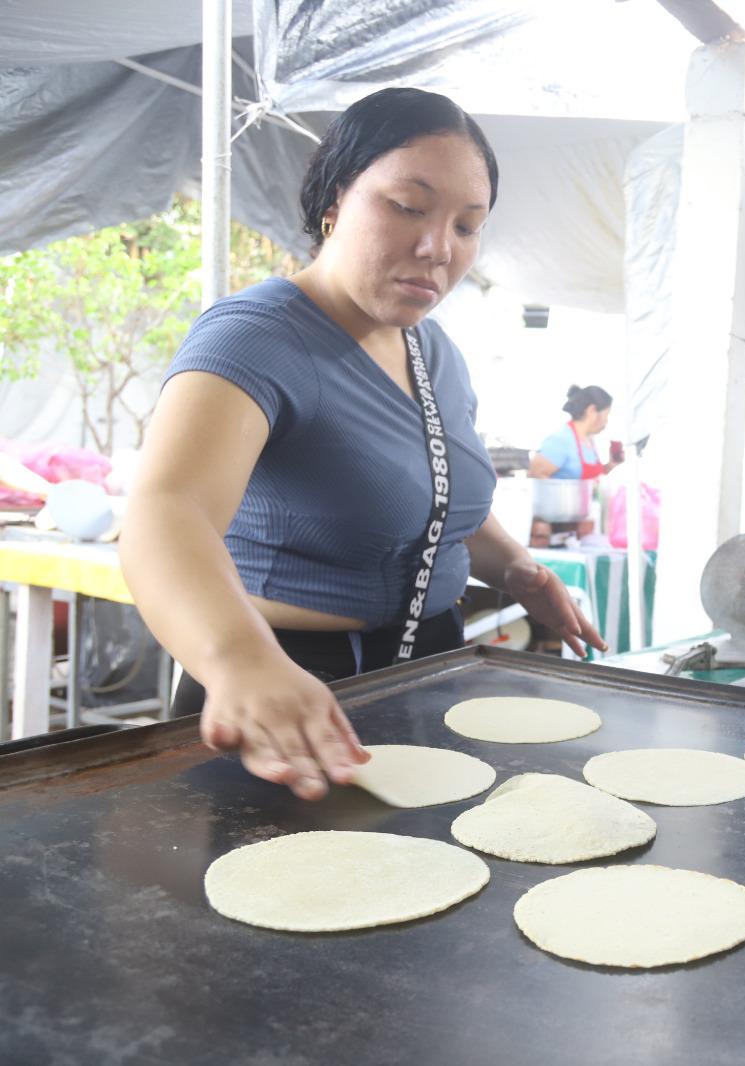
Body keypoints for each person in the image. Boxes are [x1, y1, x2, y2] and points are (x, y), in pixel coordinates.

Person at [121, 87, 604, 802]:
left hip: (427, 672)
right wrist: (239, 660)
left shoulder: (434, 351)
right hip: (287, 688)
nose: (439, 247)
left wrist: (517, 570)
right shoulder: (257, 337)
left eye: (468, 226)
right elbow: (167, 513)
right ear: (335, 198)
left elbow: (436, 496)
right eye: (408, 207)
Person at [529, 385, 621, 480]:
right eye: (606, 415)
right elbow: (535, 475)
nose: (606, 421)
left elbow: (589, 478)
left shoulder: (589, 440)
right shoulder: (561, 440)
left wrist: (610, 465)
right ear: (592, 410)